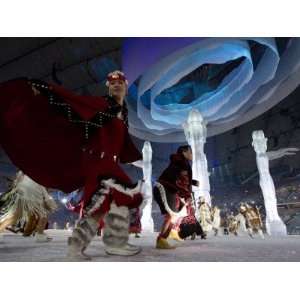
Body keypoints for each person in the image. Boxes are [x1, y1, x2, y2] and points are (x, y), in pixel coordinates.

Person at [0, 70, 145, 259]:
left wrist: (138, 160)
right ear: (108, 87)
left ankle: (81, 247)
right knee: (123, 196)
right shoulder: (103, 104)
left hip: (108, 163)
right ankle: (112, 243)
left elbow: (122, 143)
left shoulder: (122, 112)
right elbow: (77, 116)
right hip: (98, 163)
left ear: (126, 86)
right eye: (112, 83)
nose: (116, 85)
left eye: (120, 83)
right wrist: (45, 91)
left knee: (101, 207)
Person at [153, 145, 200, 249]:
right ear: (184, 152)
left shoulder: (179, 163)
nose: (192, 154)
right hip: (165, 189)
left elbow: (178, 177)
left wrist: (192, 182)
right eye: (190, 152)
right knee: (171, 215)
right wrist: (187, 195)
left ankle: (172, 232)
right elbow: (181, 181)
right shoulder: (182, 163)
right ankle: (161, 239)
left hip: (165, 189)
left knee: (177, 212)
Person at [0, 171, 57, 242]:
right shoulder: (43, 172)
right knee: (43, 215)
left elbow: (18, 179)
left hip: (23, 191)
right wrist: (47, 199)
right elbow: (42, 185)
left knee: (16, 215)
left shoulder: (26, 168)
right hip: (34, 193)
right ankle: (40, 235)